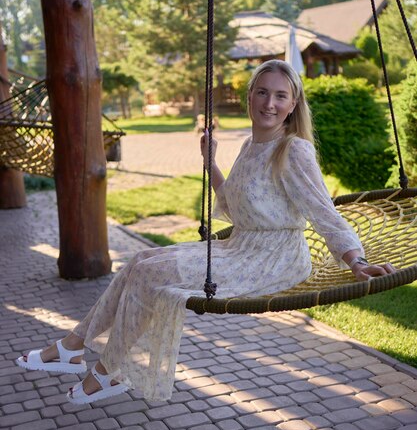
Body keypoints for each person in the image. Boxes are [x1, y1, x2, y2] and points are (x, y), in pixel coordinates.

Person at [16, 59, 395, 404]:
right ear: (249, 97)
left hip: (274, 259)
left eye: (281, 96)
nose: (269, 103)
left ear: (293, 104)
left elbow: (323, 211)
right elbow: (234, 204)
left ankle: (105, 370)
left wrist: (356, 260)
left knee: (152, 274)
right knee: (141, 259)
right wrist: (209, 162)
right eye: (262, 92)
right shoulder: (250, 144)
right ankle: (73, 347)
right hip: (240, 247)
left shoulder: (293, 150)